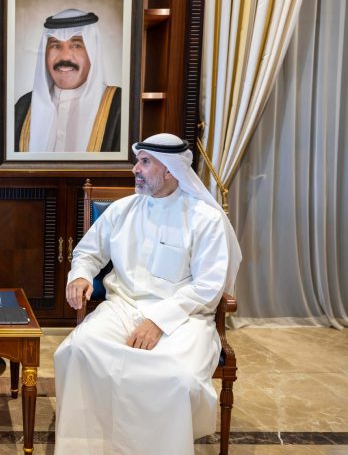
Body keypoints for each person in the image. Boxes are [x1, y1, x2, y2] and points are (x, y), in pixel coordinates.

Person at [54, 133, 242, 454]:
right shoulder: (122, 210)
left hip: (183, 318)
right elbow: (87, 252)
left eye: (144, 162)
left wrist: (158, 321)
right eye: (137, 162)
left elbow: (208, 286)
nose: (135, 170)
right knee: (77, 351)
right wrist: (81, 275)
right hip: (122, 307)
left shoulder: (206, 219)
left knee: (177, 376)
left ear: (170, 169)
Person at [14, 9, 122, 153]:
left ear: (92, 52)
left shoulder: (120, 104)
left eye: (76, 45)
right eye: (55, 45)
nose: (65, 57)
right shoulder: (24, 106)